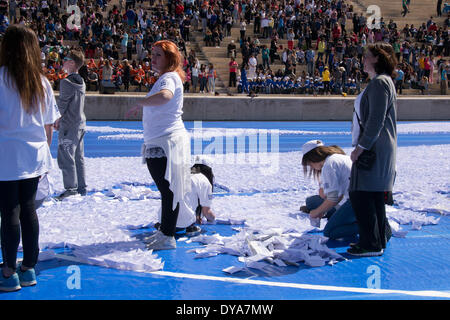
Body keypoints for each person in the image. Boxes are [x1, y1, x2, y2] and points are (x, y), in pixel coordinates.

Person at [0, 25, 60, 291]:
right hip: (33, 156)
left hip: (6, 155)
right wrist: (44, 157)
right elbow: (49, 126)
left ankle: (9, 270)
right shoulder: (42, 82)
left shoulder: (1, 78)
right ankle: (28, 268)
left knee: (9, 211)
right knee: (28, 210)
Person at [126, 40, 191, 250]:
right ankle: (165, 231)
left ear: (170, 59)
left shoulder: (168, 78)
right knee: (167, 190)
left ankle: (168, 235)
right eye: (152, 54)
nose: (152, 59)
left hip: (165, 142)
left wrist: (140, 102)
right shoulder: (167, 77)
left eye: (158, 55)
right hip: (163, 141)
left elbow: (165, 96)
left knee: (168, 190)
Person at [348, 43, 397, 257]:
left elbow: (376, 120)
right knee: (374, 194)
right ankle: (377, 240)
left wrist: (361, 147)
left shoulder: (379, 83)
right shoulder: (381, 82)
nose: (363, 59)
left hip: (374, 148)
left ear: (377, 59)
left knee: (360, 193)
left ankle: (370, 243)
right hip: (377, 146)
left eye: (366, 56)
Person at [300, 140, 359, 240]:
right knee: (314, 203)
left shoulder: (329, 165)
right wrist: (323, 210)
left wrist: (316, 212)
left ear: (312, 158)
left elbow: (333, 198)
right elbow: (338, 194)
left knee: (330, 231)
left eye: (310, 164)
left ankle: (371, 226)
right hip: (358, 199)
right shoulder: (338, 158)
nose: (312, 168)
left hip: (355, 202)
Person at [153, 157, 216, 236]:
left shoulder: (181, 175)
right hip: (182, 223)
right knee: (185, 219)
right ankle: (190, 228)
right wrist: (213, 219)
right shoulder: (204, 181)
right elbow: (206, 212)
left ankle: (164, 227)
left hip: (163, 219)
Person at [54, 50, 87, 200]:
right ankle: (81, 187)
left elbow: (62, 104)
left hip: (69, 124)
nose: (63, 62)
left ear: (72, 63)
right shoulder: (82, 81)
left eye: (66, 59)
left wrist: (55, 119)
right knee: (78, 157)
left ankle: (71, 189)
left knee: (66, 156)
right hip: (80, 123)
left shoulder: (66, 82)